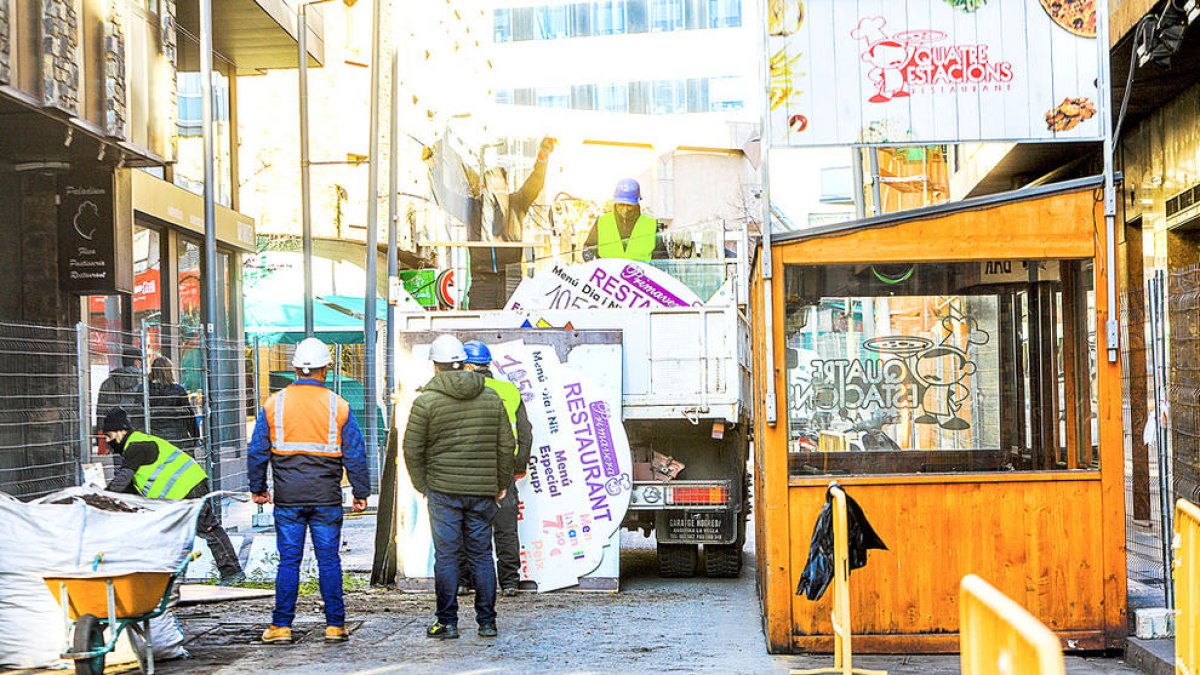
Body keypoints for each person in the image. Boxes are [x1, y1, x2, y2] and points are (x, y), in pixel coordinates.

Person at [248, 337, 370, 645]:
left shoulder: (275, 404)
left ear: (294, 369)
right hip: (326, 497)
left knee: (289, 560)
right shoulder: (338, 405)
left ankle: (281, 626)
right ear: (325, 370)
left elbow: (257, 451)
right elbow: (355, 452)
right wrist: (360, 491)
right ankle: (335, 625)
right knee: (329, 560)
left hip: (288, 498)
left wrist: (258, 488)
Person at [403, 335, 515, 640]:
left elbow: (412, 449)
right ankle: (487, 622)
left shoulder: (425, 401)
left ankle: (447, 622)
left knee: (447, 556)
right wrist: (500, 483)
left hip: (443, 491)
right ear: (464, 364)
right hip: (482, 493)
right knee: (482, 555)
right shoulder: (491, 398)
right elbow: (507, 445)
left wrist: (422, 484)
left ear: (436, 367)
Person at [102, 407, 243, 585]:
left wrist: (101, 497)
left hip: (188, 487)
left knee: (207, 529)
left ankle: (232, 573)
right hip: (184, 489)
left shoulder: (136, 446)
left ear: (120, 431)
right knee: (179, 535)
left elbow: (123, 479)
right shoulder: (137, 445)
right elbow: (129, 486)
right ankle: (174, 580)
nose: (108, 442)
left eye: (109, 436)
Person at [424, 137, 556, 309]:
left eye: (499, 185)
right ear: (484, 188)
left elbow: (535, 182)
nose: (495, 192)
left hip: (511, 278)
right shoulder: (473, 208)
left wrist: (543, 155)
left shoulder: (517, 203)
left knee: (513, 326)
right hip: (482, 280)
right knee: (482, 326)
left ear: (506, 186)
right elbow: (444, 198)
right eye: (490, 186)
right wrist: (432, 165)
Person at [457, 340, 533, 598]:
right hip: (504, 468)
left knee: (467, 524)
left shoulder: (461, 390)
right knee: (506, 528)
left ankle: (464, 581)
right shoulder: (508, 390)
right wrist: (519, 465)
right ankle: (510, 582)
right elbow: (525, 432)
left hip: (470, 468)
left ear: (467, 365)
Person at [582, 178, 668, 262]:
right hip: (609, 275)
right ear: (615, 203)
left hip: (638, 275)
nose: (625, 209)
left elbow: (661, 257)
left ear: (637, 204)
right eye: (621, 205)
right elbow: (588, 249)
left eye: (629, 205)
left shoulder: (650, 224)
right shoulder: (602, 222)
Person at [147, 357, 200, 450]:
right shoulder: (178, 389)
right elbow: (189, 415)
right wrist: (195, 437)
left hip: (153, 436)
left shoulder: (145, 390)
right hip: (176, 437)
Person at [96, 345, 145, 442]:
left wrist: (101, 435)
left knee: (119, 455)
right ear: (137, 362)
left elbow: (101, 412)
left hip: (116, 433)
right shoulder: (145, 382)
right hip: (139, 431)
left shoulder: (107, 383)